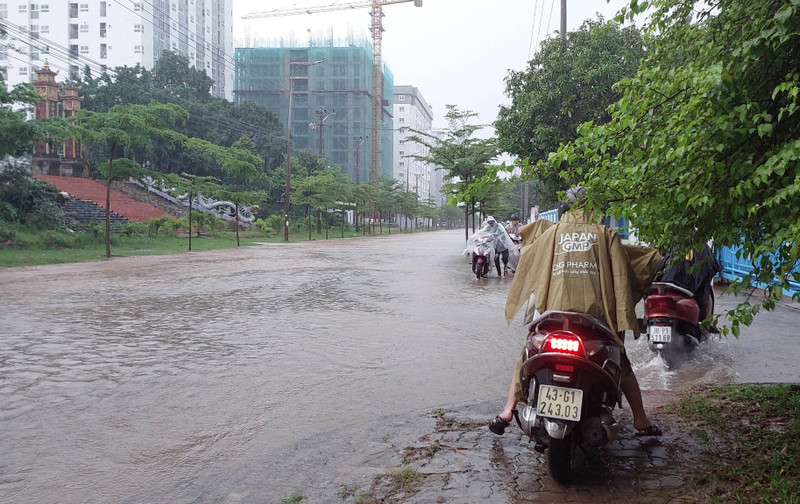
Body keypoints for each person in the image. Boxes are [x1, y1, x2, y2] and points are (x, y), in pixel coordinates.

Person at [489, 188, 664, 437]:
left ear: (564, 210)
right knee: (620, 362)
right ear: (593, 208)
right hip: (595, 320)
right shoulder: (606, 234)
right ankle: (640, 419)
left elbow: (529, 262)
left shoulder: (550, 235)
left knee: (527, 355)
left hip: (554, 317)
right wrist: (623, 319)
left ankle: (507, 411)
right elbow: (621, 276)